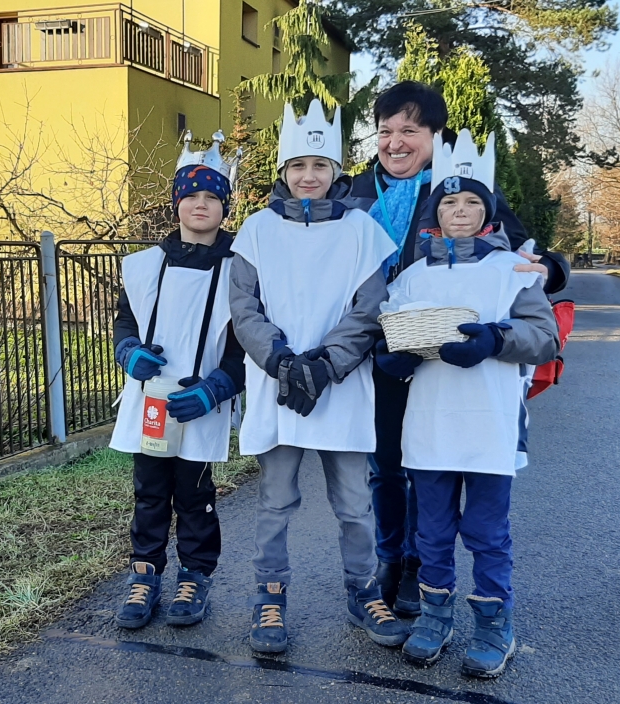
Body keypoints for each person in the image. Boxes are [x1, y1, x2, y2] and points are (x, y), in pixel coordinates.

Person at [345, 81, 569, 617]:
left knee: (428, 456)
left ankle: (420, 568)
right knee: (384, 464)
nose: (396, 143)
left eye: (410, 131)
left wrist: (554, 269)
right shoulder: (353, 191)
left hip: (442, 353)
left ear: (435, 136)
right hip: (376, 346)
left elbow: (526, 256)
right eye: (386, 132)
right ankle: (390, 558)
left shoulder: (458, 189)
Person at [374, 129, 559, 677]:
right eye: (449, 202)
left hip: (489, 424)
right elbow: (392, 334)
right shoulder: (411, 275)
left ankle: (493, 621)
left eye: (472, 202)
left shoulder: (514, 271)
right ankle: (435, 615)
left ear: (489, 211)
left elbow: (543, 336)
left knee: (485, 531)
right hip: (428, 424)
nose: (460, 211)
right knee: (429, 530)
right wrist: (396, 357)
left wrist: (494, 341)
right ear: (436, 212)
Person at [228, 99, 409, 653]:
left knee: (354, 502)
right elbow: (244, 307)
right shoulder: (256, 230)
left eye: (320, 166)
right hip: (277, 383)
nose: (309, 176)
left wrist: (326, 364)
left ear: (336, 172)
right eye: (298, 166)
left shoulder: (361, 230)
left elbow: (369, 305)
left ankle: (363, 592)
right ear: (284, 171)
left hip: (341, 385)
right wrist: (283, 362)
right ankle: (270, 595)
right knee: (276, 501)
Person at [108, 132, 245, 629]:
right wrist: (128, 352)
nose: (201, 204)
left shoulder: (241, 270)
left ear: (224, 205)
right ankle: (144, 575)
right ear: (176, 204)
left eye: (212, 196)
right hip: (149, 400)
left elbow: (242, 345)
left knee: (195, 493)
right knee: (149, 491)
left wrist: (217, 387)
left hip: (200, 401)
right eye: (191, 196)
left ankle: (195, 575)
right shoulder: (142, 266)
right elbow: (126, 321)